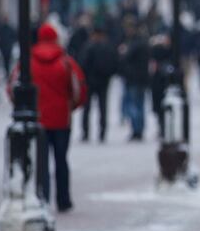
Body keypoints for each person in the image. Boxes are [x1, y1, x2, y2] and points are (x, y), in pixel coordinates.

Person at [12, 24, 87, 212]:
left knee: (41, 162)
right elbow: (79, 88)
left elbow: (13, 86)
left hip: (38, 119)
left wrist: (23, 108)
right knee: (61, 160)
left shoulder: (27, 61)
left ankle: (42, 197)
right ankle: (63, 199)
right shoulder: (66, 61)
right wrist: (71, 107)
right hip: (61, 119)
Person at [79, 26, 120, 143]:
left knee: (87, 108)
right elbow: (115, 63)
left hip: (90, 81)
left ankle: (86, 132)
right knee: (102, 108)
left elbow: (82, 63)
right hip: (104, 82)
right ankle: (102, 132)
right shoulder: (109, 47)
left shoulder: (88, 47)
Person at [119, 21, 150, 141]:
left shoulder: (135, 44)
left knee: (134, 105)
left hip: (134, 78)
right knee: (139, 104)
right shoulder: (141, 42)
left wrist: (124, 52)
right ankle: (139, 129)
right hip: (139, 78)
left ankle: (137, 129)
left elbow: (127, 57)